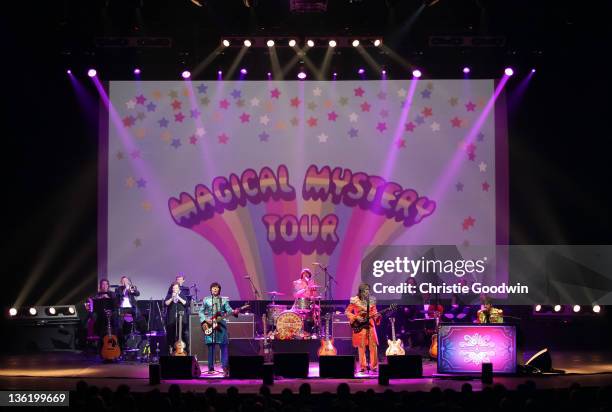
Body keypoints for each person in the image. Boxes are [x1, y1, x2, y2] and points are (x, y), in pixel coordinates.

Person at [199, 282, 238, 376]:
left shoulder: (224, 300)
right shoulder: (206, 300)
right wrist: (205, 320)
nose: (215, 289)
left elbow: (229, 310)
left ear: (219, 290)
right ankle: (211, 368)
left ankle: (225, 368)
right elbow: (201, 311)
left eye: (216, 288)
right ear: (211, 289)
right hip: (209, 325)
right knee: (211, 347)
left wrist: (234, 312)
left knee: (224, 347)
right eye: (213, 288)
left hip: (221, 325)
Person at [345, 283, 380, 373]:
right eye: (366, 290)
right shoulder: (354, 300)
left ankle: (374, 366)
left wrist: (377, 316)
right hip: (360, 325)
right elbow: (347, 312)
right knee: (361, 346)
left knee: (373, 345)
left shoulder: (371, 300)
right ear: (361, 291)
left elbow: (375, 312)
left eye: (368, 290)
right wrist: (356, 317)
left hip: (370, 324)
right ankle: (363, 366)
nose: (367, 292)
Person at [164, 282, 189, 354]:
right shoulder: (169, 295)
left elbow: (186, 303)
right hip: (171, 320)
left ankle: (184, 352)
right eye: (173, 288)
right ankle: (171, 351)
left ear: (179, 289)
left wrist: (178, 297)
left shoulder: (182, 295)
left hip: (181, 320)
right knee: (171, 336)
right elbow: (166, 303)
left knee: (182, 335)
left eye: (176, 288)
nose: (175, 289)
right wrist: (172, 298)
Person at [115, 275, 140, 344]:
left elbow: (138, 294)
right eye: (123, 281)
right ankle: (120, 331)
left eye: (126, 280)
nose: (125, 282)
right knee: (119, 318)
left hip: (131, 307)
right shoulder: (118, 289)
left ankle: (135, 329)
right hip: (122, 307)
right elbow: (119, 295)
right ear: (121, 282)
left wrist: (132, 290)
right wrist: (125, 289)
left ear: (128, 281)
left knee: (137, 312)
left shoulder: (131, 287)